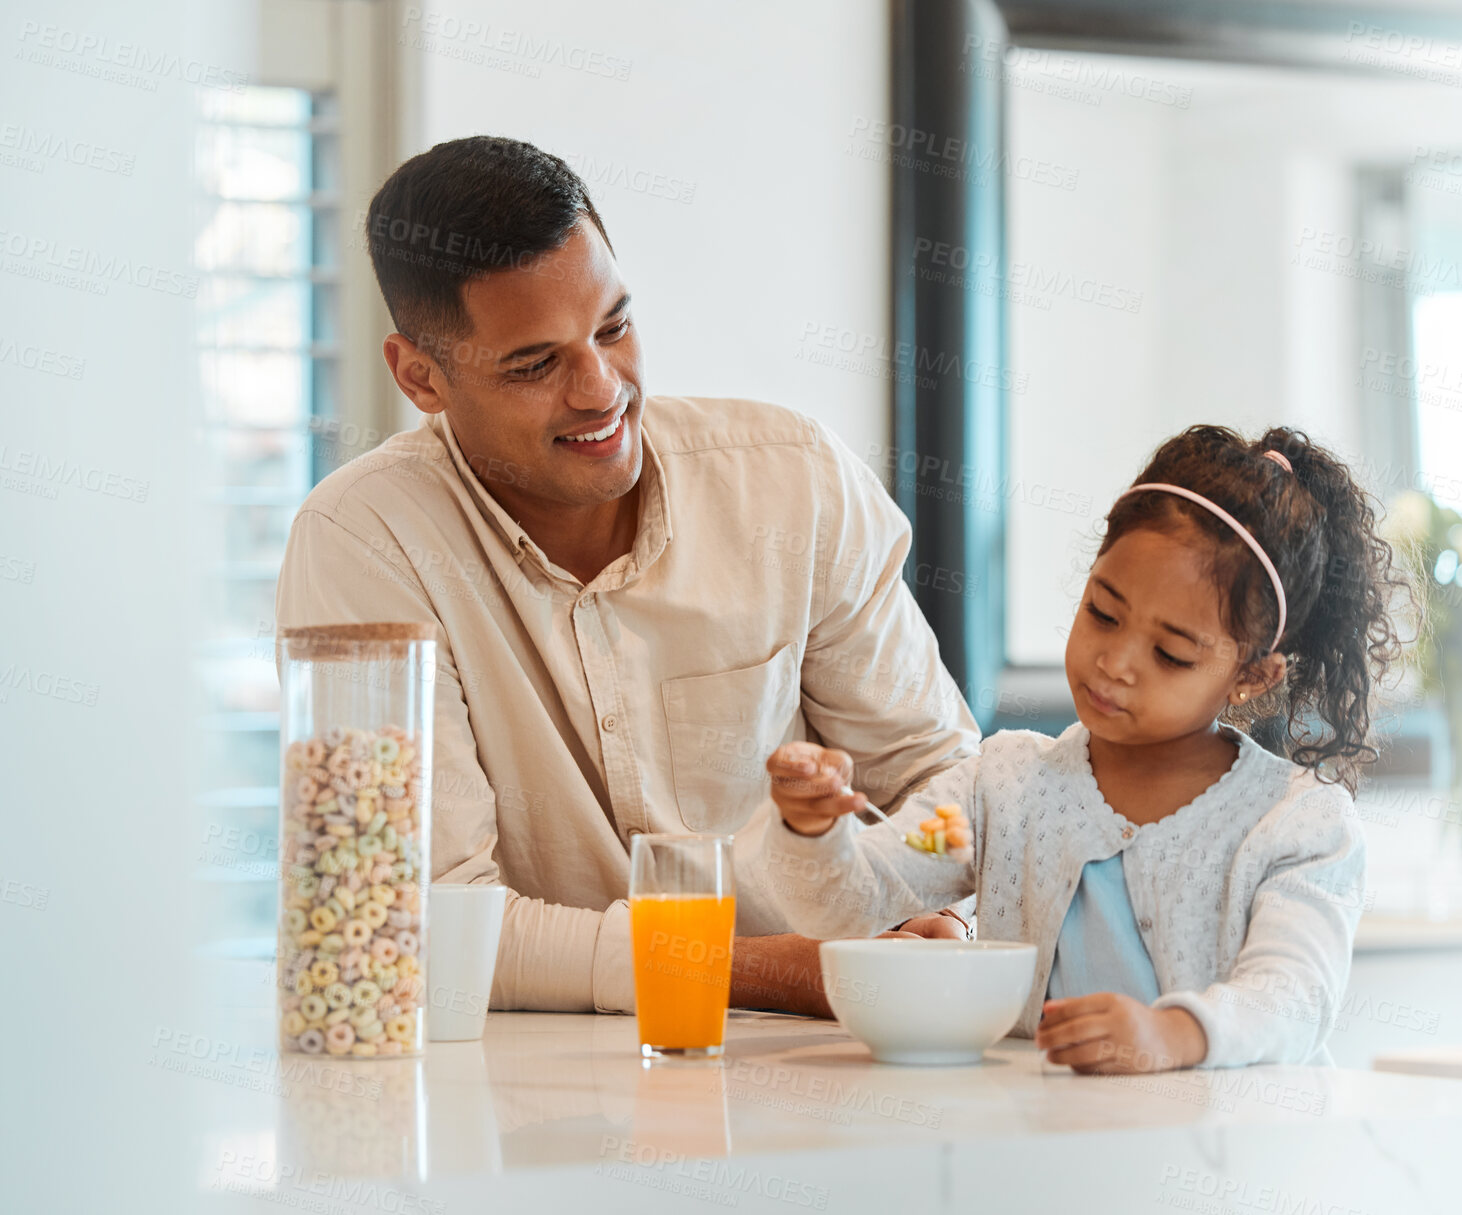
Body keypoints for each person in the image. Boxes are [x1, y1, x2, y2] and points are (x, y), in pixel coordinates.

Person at [275, 136, 978, 1018]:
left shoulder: (791, 480)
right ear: (421, 376)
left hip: (845, 1054)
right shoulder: (363, 542)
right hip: (527, 1104)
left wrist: (942, 915)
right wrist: (781, 970)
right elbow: (418, 922)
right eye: (535, 365)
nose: (602, 389)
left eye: (613, 327)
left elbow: (940, 777)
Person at [760, 425, 1406, 1071]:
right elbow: (845, 903)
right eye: (1103, 611)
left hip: (1227, 1154)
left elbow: (1292, 999)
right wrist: (812, 829)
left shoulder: (1297, 823)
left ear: (1251, 676)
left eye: (1171, 653)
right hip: (1044, 1146)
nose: (1116, 662)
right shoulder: (998, 791)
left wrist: (1174, 1034)